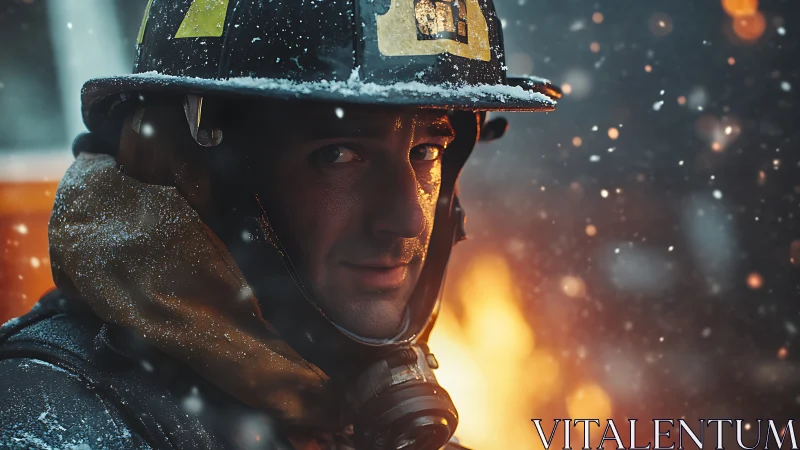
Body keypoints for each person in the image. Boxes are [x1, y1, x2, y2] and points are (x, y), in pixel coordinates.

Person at [0, 0, 560, 448]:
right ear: (193, 172)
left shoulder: (361, 422)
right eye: (338, 155)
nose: (409, 219)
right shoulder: (55, 422)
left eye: (427, 151)